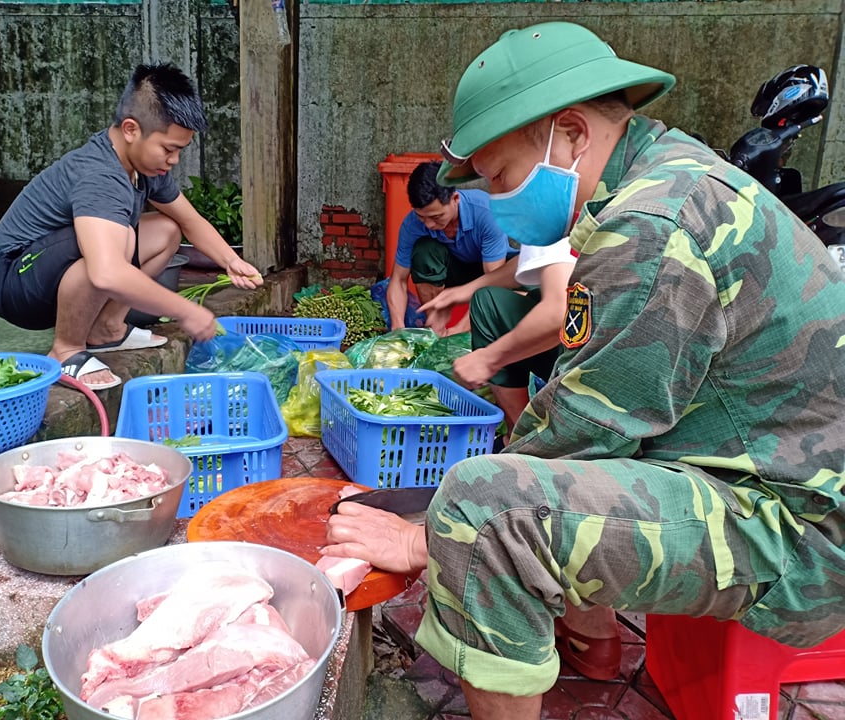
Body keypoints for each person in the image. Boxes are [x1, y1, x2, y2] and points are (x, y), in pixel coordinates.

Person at [323, 21, 845, 720]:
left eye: (501, 176)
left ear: (569, 133)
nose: (500, 200)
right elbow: (591, 407)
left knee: (489, 510)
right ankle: (590, 645)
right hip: (767, 473)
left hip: (801, 532)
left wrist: (429, 536)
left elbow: (588, 428)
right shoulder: (664, 171)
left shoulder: (653, 224)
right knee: (522, 483)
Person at [0, 62, 262, 391]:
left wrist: (231, 261)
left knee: (167, 230)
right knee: (118, 243)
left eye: (179, 151)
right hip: (13, 284)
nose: (173, 160)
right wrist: (187, 311)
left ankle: (107, 328)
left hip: (45, 272)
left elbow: (189, 220)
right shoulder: (100, 175)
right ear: (131, 129)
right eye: (168, 149)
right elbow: (106, 273)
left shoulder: (142, 166)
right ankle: (66, 350)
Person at [418, 238, 575, 434]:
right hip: (606, 347)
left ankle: (524, 438)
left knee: (488, 305)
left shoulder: (551, 223)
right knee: (524, 296)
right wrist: (460, 292)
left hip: (598, 365)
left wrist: (489, 359)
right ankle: (522, 433)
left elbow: (557, 314)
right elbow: (532, 261)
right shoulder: (589, 215)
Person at [385, 161, 515, 335]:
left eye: (437, 217)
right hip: (456, 270)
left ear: (455, 199)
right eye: (423, 218)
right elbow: (398, 280)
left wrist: (459, 331)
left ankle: (469, 329)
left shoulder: (486, 213)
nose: (429, 224)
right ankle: (435, 328)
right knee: (424, 251)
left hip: (491, 271)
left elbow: (495, 281)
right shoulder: (412, 224)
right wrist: (397, 328)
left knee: (523, 290)